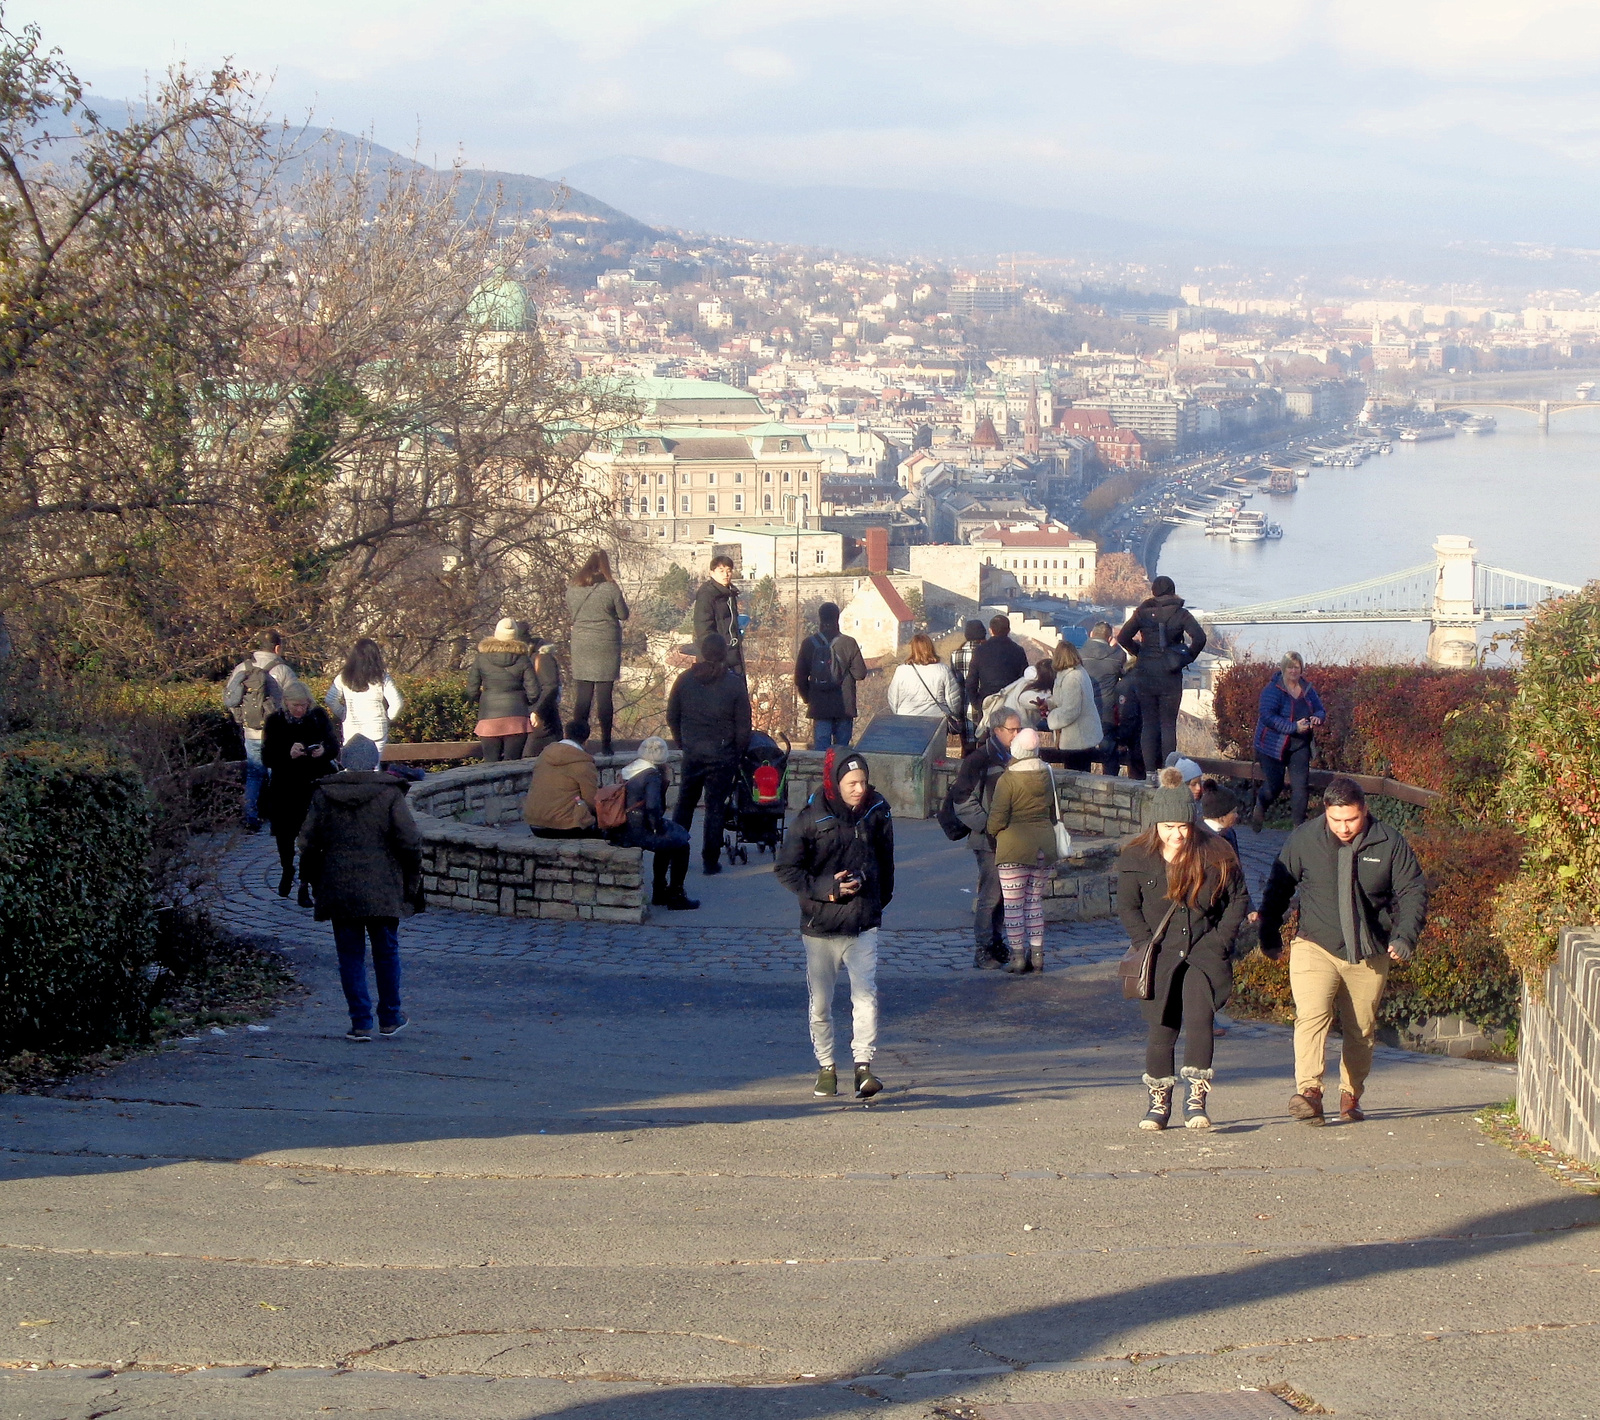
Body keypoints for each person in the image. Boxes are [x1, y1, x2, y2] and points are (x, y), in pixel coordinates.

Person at [1258, 776, 1428, 1126]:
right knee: (1312, 1016)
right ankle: (1310, 1093)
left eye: (1351, 819)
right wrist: (1269, 934)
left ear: (1364, 810)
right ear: (1326, 813)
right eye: (1336, 820)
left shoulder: (1389, 842)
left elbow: (1412, 892)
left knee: (1361, 1029)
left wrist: (1404, 937)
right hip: (1315, 944)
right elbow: (1278, 887)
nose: (1344, 827)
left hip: (1370, 949)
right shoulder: (1305, 839)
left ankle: (1351, 1096)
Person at [1117, 768, 1250, 1130]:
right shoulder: (1135, 857)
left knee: (1199, 1021)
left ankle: (1197, 1100)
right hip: (1159, 952)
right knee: (1161, 1028)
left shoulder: (1217, 852)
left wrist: (1222, 939)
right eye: (1167, 827)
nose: (1175, 835)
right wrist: (1145, 942)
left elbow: (1238, 899)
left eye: (1182, 827)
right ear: (1155, 824)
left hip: (1204, 950)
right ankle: (1158, 1104)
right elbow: (1128, 907)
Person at [775, 749, 895, 1101]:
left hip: (862, 921)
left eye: (863, 782)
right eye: (851, 783)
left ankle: (863, 1066)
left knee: (866, 996)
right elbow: (786, 869)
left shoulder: (876, 810)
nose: (859, 789)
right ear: (835, 783)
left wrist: (873, 898)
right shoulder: (812, 816)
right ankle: (826, 1067)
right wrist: (828, 890)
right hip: (820, 926)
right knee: (821, 1003)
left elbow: (886, 863)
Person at [296, 735, 423, 1042]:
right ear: (373, 761)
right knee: (386, 951)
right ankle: (390, 1017)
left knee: (349, 954)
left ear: (342, 760)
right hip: (382, 885)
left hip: (339, 885)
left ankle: (360, 1021)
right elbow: (409, 840)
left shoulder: (324, 793)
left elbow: (308, 842)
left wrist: (308, 879)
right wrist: (411, 877)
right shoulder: (389, 793)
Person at [667, 633, 752, 876]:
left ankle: (674, 854)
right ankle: (710, 861)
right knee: (715, 808)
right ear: (724, 653)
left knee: (684, 805)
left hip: (693, 752)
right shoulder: (734, 683)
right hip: (722, 755)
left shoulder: (684, 680)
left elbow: (672, 716)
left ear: (702, 652)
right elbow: (743, 725)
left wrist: (684, 742)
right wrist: (737, 753)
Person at [985, 727, 1065, 974]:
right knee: (1034, 903)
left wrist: (994, 832)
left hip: (1014, 848)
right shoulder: (1048, 773)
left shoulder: (1008, 779)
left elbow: (997, 818)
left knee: (1013, 906)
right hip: (1044, 845)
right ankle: (1038, 956)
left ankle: (1018, 957)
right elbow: (1054, 811)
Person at [948, 706, 1023, 969]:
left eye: (1019, 729)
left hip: (1011, 838)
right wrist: (989, 827)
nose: (1017, 734)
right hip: (988, 840)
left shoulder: (1016, 758)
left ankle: (996, 942)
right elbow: (962, 799)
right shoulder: (979, 759)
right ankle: (983, 948)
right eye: (1012, 729)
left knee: (1005, 896)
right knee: (991, 895)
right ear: (997, 730)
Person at [1116, 576, 1206, 777]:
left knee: (1148, 724)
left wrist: (1141, 652)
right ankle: (1169, 773)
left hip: (1145, 673)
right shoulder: (1181, 614)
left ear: (1153, 592)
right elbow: (1200, 638)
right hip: (1170, 674)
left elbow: (1123, 637)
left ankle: (1150, 774)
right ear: (1173, 591)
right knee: (1167, 725)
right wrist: (1186, 657)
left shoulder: (1142, 613)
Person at [261, 682, 340, 906]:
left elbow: (334, 745)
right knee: (285, 837)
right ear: (286, 702)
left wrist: (324, 751)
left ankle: (306, 883)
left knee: (312, 839)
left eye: (304, 705)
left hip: (313, 785)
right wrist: (288, 754)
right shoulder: (275, 721)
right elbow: (267, 757)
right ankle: (287, 870)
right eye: (296, 705)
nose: (300, 710)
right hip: (285, 788)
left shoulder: (317, 717)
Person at [223, 630, 298, 831]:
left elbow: (231, 699)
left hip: (251, 732)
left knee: (254, 774)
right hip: (276, 733)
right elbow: (296, 701)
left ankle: (250, 817)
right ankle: (279, 817)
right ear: (277, 648)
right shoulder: (282, 670)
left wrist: (242, 719)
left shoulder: (242, 668)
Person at [617, 736, 698, 911]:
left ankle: (660, 890)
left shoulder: (630, 769)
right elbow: (653, 806)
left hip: (625, 827)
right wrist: (658, 827)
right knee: (681, 844)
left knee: (667, 843)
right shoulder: (651, 775)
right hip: (639, 829)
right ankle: (675, 894)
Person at [1250, 652, 1326, 832]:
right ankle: (1260, 807)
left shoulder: (1307, 689)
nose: (1293, 671)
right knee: (1274, 785)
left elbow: (1320, 709)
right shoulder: (1273, 689)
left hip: (1300, 744)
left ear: (1301, 669)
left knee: (1301, 786)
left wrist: (1317, 718)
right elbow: (1267, 716)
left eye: (1297, 667)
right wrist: (1292, 727)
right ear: (1283, 668)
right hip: (1272, 745)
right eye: (1290, 667)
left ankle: (1298, 829)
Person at [567, 549, 630, 756]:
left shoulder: (573, 588)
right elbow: (623, 614)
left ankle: (576, 743)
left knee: (583, 695)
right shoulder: (610, 588)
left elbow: (572, 612)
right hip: (606, 643)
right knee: (604, 696)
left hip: (582, 644)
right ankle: (606, 744)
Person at [794, 602, 867, 750]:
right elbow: (860, 674)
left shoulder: (809, 643)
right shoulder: (849, 643)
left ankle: (823, 773)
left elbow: (799, 678)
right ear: (837, 618)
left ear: (820, 618)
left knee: (821, 754)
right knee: (842, 753)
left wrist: (808, 698)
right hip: (844, 706)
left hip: (819, 705)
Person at [467, 617, 540, 763]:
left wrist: (483, 701)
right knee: (513, 764)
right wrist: (525, 702)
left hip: (489, 717)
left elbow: (471, 690)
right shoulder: (523, 659)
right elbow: (534, 692)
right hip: (517, 718)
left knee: (490, 764)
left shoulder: (481, 659)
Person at [522, 719, 601, 839]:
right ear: (586, 741)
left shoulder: (544, 755)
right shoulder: (584, 764)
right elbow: (592, 800)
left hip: (535, 824)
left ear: (565, 735)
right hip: (566, 827)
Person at [327, 638, 405, 755]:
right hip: (376, 728)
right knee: (374, 766)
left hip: (351, 729)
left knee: (352, 765)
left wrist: (343, 713)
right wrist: (386, 718)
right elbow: (397, 702)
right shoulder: (382, 678)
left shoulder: (343, 677)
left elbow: (330, 699)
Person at [1044, 641, 1102, 772]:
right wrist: (1048, 703)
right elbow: (1062, 700)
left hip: (1077, 739)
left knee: (1076, 776)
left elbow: (1070, 711)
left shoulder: (1072, 679)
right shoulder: (1074, 674)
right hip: (1078, 737)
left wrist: (1051, 717)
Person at [886, 633, 962, 724]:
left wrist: (899, 713)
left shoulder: (901, 670)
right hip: (936, 721)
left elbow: (893, 698)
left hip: (906, 719)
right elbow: (953, 699)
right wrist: (954, 714)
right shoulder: (943, 670)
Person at [966, 614, 1030, 722]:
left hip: (987, 702)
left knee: (989, 736)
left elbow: (971, 681)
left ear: (991, 630)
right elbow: (1024, 680)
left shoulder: (980, 651)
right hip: (1011, 703)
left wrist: (977, 703)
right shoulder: (1018, 650)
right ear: (1008, 630)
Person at [515, 621, 564, 760]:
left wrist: (538, 711)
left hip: (543, 724)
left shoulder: (542, 658)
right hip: (528, 721)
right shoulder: (524, 658)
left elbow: (551, 687)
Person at [692, 556, 744, 676]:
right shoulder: (707, 595)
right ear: (712, 573)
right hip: (715, 659)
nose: (726, 574)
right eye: (721, 571)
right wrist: (715, 653)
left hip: (733, 654)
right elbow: (703, 627)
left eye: (729, 570)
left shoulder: (730, 593)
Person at [949, 619, 987, 748]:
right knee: (984, 748)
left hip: (963, 706)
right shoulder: (987, 654)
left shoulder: (955, 655)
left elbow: (954, 683)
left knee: (967, 750)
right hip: (984, 704)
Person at [1105, 662, 1146, 780]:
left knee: (1136, 779)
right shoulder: (1151, 681)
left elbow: (1127, 716)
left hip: (1135, 741)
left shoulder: (1125, 684)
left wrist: (1122, 740)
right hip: (1151, 738)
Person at [1079, 621, 1127, 720]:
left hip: (1083, 708)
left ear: (1091, 634)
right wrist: (1116, 647)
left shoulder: (1078, 655)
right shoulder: (1118, 655)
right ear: (1110, 639)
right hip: (1107, 710)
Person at [1200, 784, 1242, 857]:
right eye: (1234, 812)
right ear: (1222, 816)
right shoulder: (1200, 838)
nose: (1236, 815)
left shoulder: (1230, 833)